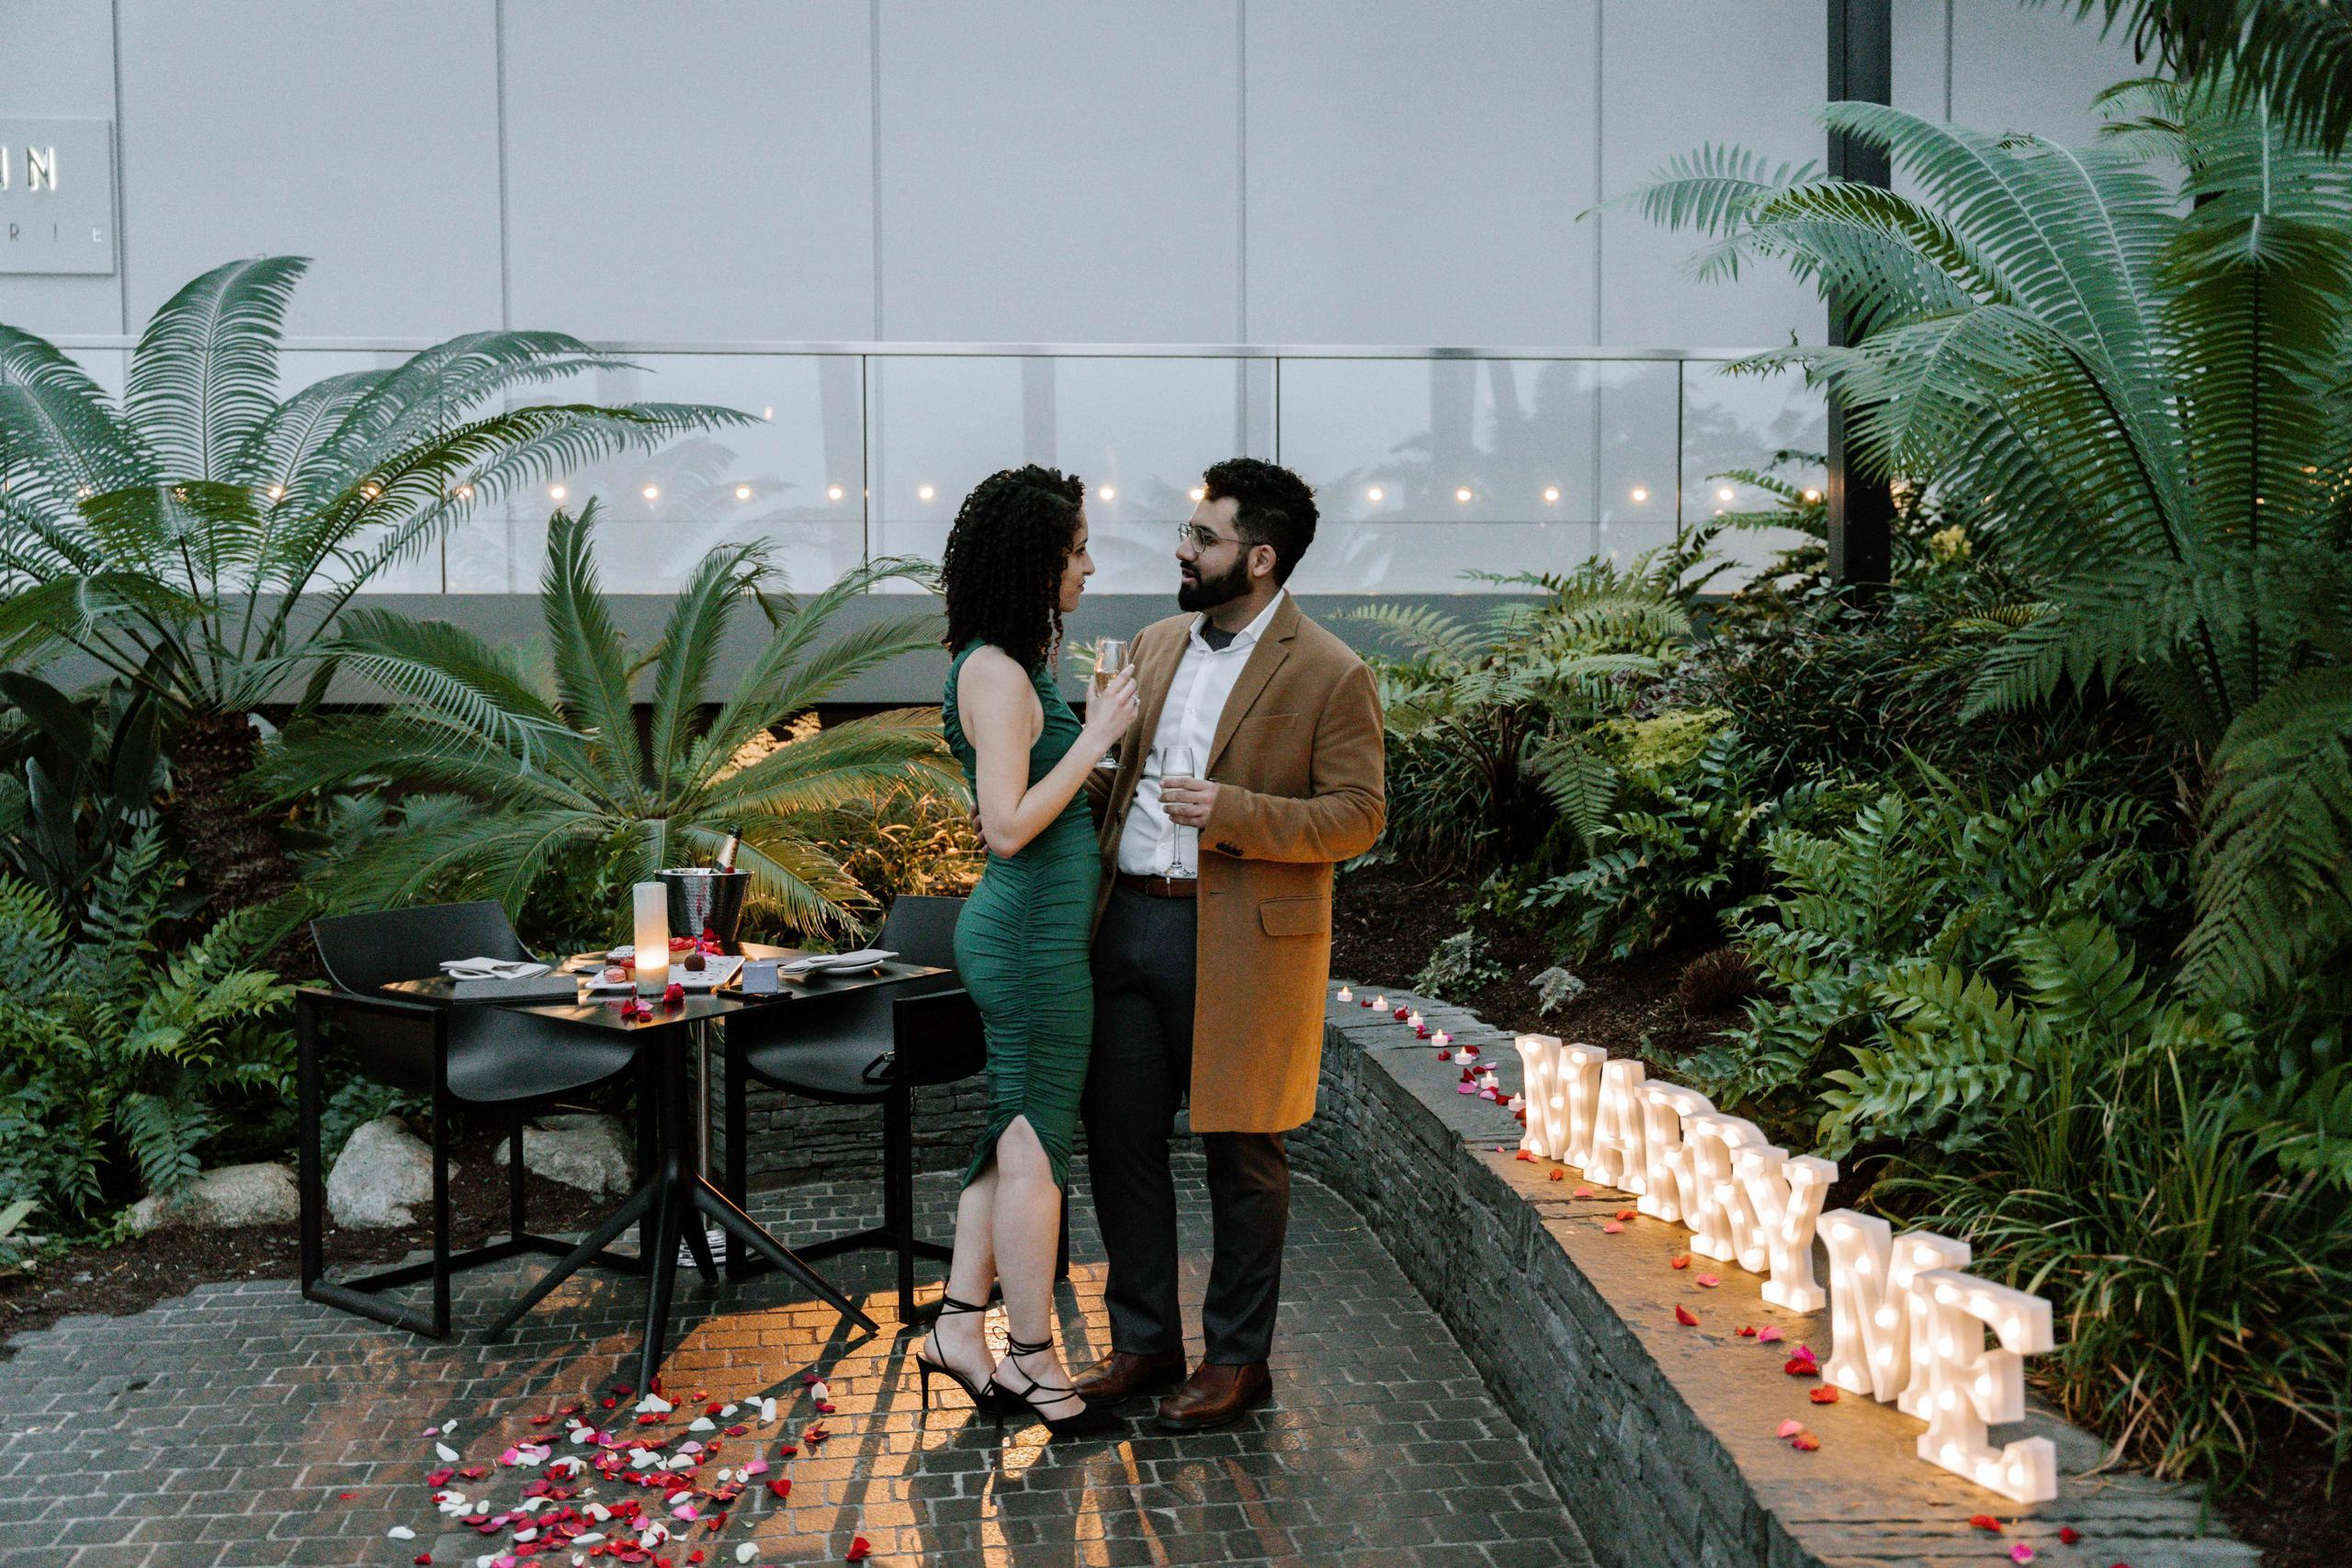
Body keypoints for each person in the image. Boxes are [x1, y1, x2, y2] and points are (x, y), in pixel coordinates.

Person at [1072, 457, 1385, 1430]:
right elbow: (1110, 785)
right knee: (1120, 1141)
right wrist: (1084, 751)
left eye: (1200, 538)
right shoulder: (1157, 643)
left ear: (1257, 557)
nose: (1181, 547)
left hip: (1241, 940)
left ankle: (1238, 1362)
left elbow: (1359, 817)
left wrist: (1234, 811)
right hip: (1127, 921)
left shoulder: (1332, 670)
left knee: (1243, 1156)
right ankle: (1143, 1343)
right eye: (1187, 532)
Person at [918, 464, 1138, 1438]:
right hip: (1025, 940)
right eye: (1077, 548)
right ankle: (1034, 1364)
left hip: (1034, 933)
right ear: (1036, 560)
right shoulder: (998, 674)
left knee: (1013, 1143)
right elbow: (1004, 827)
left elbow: (1038, 807)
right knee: (1035, 1151)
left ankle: (960, 1331)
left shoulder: (1009, 663)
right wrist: (1093, 743)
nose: (1088, 566)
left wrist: (1091, 744)